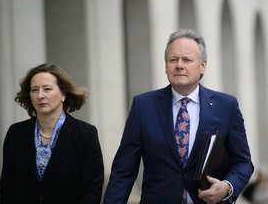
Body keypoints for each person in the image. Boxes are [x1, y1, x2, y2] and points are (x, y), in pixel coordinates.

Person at [103, 29, 254, 204]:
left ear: (202, 66)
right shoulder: (143, 106)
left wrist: (227, 187)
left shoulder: (226, 106)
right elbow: (124, 170)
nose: (179, 65)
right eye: (173, 60)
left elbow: (243, 162)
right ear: (165, 66)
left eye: (187, 60)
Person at [0, 63, 104, 204]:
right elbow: (7, 189)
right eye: (35, 90)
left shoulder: (85, 134)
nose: (40, 95)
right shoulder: (15, 133)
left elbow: (91, 191)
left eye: (47, 89)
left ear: (63, 95)